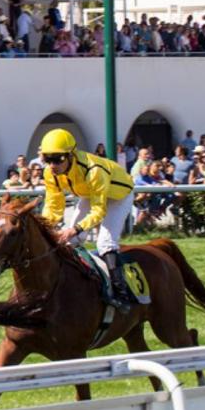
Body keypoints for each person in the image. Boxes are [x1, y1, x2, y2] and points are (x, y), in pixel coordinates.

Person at [38, 129, 136, 311]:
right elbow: (53, 206)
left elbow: (99, 211)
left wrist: (74, 228)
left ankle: (121, 294)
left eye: (58, 159)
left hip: (118, 196)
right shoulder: (49, 174)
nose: (52, 165)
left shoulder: (94, 171)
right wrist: (43, 228)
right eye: (47, 159)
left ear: (71, 155)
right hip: (90, 194)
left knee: (105, 243)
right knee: (71, 242)